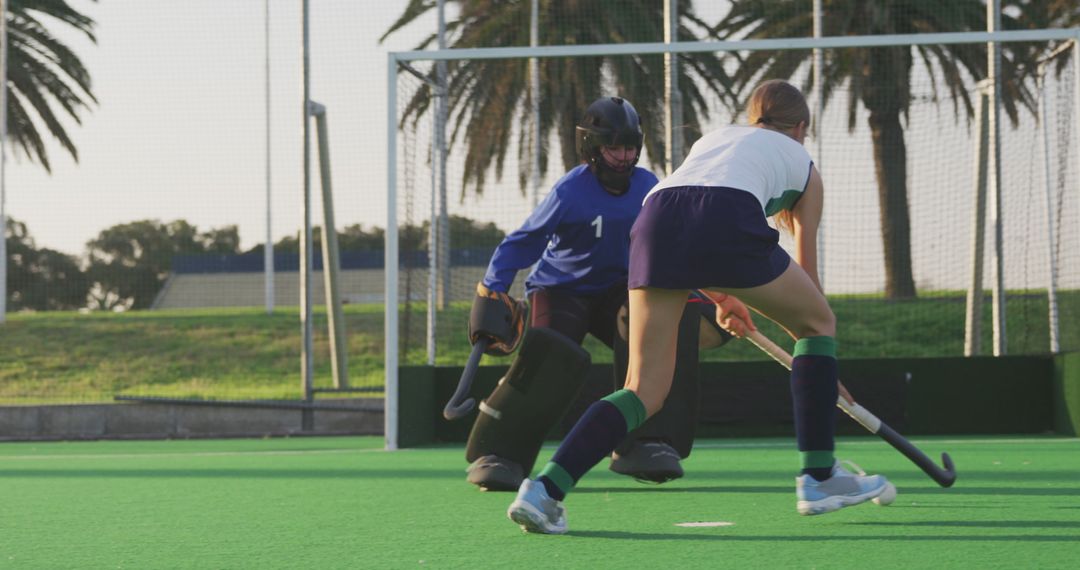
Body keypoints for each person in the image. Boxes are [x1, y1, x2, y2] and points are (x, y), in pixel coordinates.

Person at [506, 80, 890, 534]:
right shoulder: (804, 165)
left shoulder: (717, 140)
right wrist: (822, 365)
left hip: (654, 219)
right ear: (801, 127)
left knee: (643, 390)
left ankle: (544, 491)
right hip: (725, 214)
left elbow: (688, 221)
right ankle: (821, 477)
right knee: (818, 321)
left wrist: (725, 298)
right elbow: (808, 292)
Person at [463, 96, 732, 492]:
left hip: (619, 291)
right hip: (560, 289)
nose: (624, 157)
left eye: (630, 148)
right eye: (613, 148)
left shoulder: (648, 187)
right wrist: (493, 286)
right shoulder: (571, 191)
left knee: (655, 341)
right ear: (591, 148)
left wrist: (705, 291)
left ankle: (646, 443)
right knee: (548, 356)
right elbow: (526, 240)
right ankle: (499, 454)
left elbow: (671, 244)